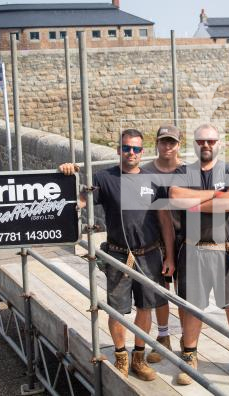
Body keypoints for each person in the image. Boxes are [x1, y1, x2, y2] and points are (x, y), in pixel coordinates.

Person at [59, 129, 175, 381]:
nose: (130, 153)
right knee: (117, 310)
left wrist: (170, 256)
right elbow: (80, 201)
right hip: (119, 256)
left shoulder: (153, 179)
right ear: (118, 150)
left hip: (150, 254)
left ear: (143, 152)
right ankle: (121, 356)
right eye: (126, 148)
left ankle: (138, 358)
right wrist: (68, 174)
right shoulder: (104, 177)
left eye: (135, 149)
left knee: (146, 308)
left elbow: (165, 219)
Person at [168, 123, 229, 385]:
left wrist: (195, 203)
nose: (206, 145)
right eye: (201, 141)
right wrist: (216, 195)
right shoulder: (182, 171)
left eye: (211, 141)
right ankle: (190, 357)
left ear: (219, 143)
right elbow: (176, 198)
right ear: (195, 143)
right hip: (192, 250)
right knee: (193, 308)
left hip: (225, 252)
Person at [139, 125, 184, 363]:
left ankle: (188, 343)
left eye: (172, 142)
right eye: (163, 141)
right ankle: (164, 336)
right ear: (156, 143)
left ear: (179, 144)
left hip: (185, 238)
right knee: (159, 291)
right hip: (155, 240)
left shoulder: (188, 171)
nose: (167, 146)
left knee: (186, 293)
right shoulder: (144, 172)